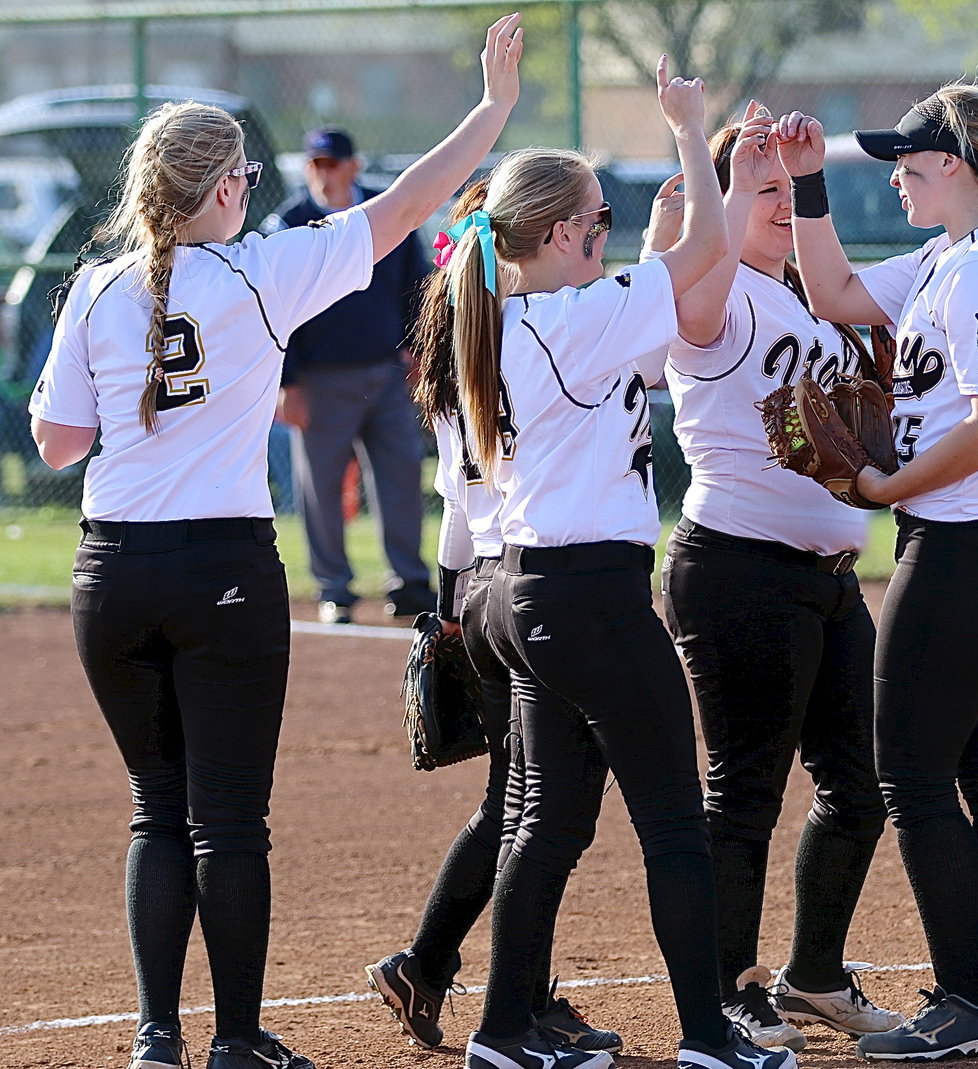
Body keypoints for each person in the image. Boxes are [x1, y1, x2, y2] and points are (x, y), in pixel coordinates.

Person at [27, 16, 523, 1069]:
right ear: (219, 191)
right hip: (221, 570)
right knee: (229, 821)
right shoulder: (264, 271)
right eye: (243, 175)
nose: (251, 188)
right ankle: (239, 1039)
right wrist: (492, 111)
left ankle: (156, 1038)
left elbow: (59, 442)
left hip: (109, 569)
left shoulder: (95, 287)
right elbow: (403, 212)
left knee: (156, 813)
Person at [444, 57, 795, 1069]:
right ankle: (706, 1038)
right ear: (559, 236)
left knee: (547, 822)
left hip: (525, 590)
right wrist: (692, 129)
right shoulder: (570, 316)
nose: (603, 234)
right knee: (676, 828)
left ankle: (507, 1029)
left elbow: (675, 308)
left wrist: (662, 233)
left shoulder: (525, 316)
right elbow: (701, 259)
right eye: (594, 222)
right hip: (586, 595)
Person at [776, 81, 978, 1060]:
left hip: (966, 542)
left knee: (907, 768)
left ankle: (968, 1003)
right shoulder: (952, 256)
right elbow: (830, 294)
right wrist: (809, 183)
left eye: (908, 162)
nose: (898, 176)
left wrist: (882, 480)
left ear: (954, 163)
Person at [644, 102, 904, 1050]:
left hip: (828, 579)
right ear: (720, 204)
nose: (782, 205)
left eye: (787, 192)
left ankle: (814, 976)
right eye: (764, 192)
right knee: (745, 793)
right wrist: (717, 170)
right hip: (739, 572)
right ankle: (724, 990)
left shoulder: (797, 294)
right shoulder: (714, 295)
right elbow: (699, 298)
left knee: (860, 784)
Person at [364, 178, 620, 1056]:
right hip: (515, 580)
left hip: (478, 584)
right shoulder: (510, 341)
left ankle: (446, 971)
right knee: (545, 800)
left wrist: (446, 613)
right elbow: (470, 505)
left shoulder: (466, 345)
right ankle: (489, 987)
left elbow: (453, 507)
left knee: (523, 797)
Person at [265, 125, 435, 624]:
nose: (323, 172)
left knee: (402, 476)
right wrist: (287, 383)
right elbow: (275, 308)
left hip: (385, 373)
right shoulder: (290, 223)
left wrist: (418, 349)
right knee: (320, 488)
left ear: (353, 166)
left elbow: (417, 285)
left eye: (332, 163)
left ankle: (409, 581)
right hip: (319, 380)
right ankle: (333, 588)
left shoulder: (383, 212)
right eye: (315, 164)